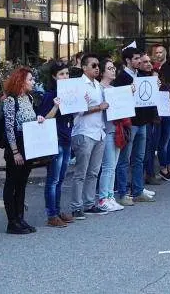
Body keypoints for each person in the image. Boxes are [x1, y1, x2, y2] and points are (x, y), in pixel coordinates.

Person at [2, 67, 45, 234]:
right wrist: (14, 151)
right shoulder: (11, 100)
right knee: (12, 182)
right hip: (16, 146)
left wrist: (38, 119)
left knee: (22, 183)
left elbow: (30, 118)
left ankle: (20, 218)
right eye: (30, 79)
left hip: (28, 145)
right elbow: (9, 128)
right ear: (21, 81)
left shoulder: (28, 97)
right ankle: (11, 221)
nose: (33, 82)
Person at [114, 47, 155, 205]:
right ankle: (123, 193)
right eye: (136, 58)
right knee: (124, 159)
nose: (139, 61)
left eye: (140, 58)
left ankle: (138, 191)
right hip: (129, 123)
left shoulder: (142, 75)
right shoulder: (121, 78)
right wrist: (127, 92)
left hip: (142, 122)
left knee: (139, 158)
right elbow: (118, 100)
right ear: (128, 60)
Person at [70, 53, 109, 219]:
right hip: (84, 132)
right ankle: (76, 206)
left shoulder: (99, 86)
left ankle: (88, 203)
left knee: (93, 172)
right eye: (93, 65)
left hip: (99, 132)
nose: (97, 68)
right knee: (81, 172)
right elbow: (78, 109)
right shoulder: (78, 85)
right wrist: (98, 107)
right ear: (84, 67)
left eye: (98, 65)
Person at [38, 62, 75, 227]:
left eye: (67, 74)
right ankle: (51, 214)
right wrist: (56, 105)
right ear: (54, 76)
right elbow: (44, 119)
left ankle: (57, 210)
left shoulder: (69, 93)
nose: (65, 77)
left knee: (60, 179)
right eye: (61, 74)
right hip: (55, 140)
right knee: (53, 179)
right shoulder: (49, 95)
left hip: (66, 138)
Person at [97, 59, 125, 212]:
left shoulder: (113, 88)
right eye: (109, 68)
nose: (113, 70)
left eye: (114, 68)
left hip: (116, 129)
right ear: (102, 72)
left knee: (112, 166)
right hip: (106, 130)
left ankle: (110, 196)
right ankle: (103, 198)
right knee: (107, 166)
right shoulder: (99, 88)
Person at [139, 54, 162, 186]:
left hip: (153, 118)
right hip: (142, 120)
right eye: (145, 62)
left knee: (151, 148)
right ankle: (142, 178)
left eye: (149, 61)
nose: (149, 64)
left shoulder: (153, 76)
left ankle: (149, 174)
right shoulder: (138, 78)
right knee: (143, 150)